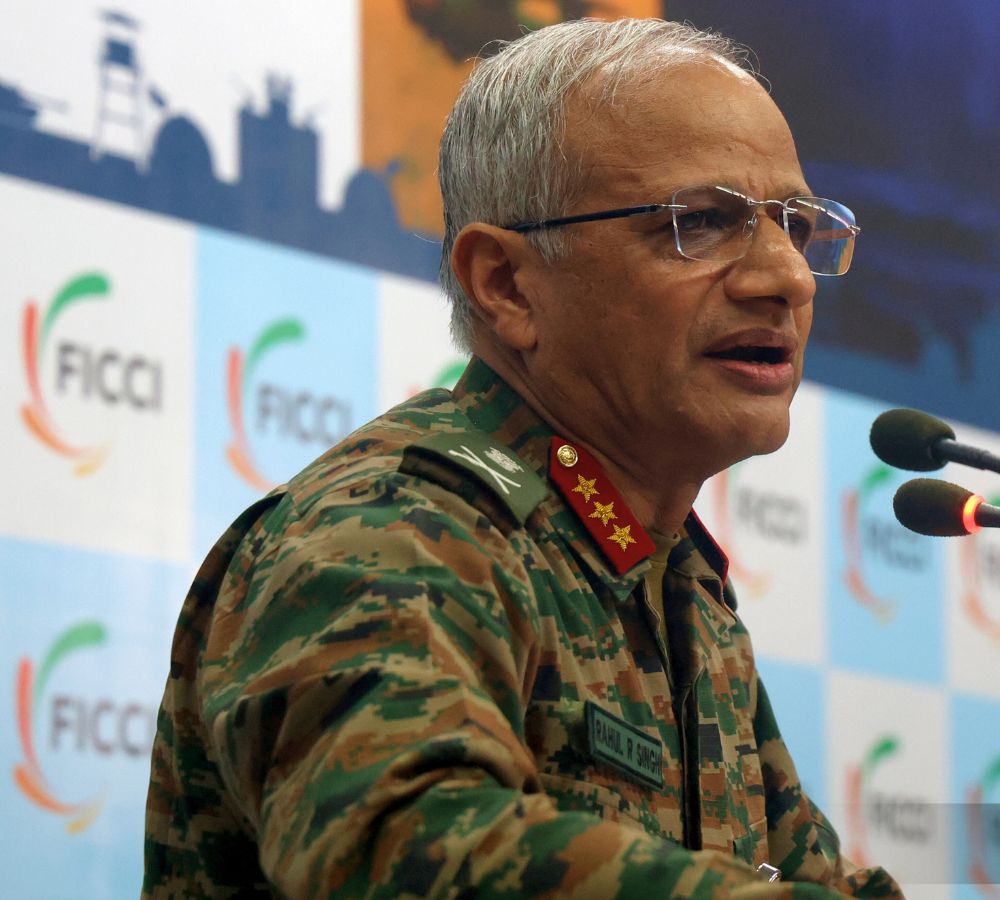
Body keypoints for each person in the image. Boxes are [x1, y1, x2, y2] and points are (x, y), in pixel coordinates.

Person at [143, 18, 895, 898]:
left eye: (797, 228)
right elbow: (404, 845)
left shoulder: (678, 583)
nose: (788, 278)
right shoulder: (392, 529)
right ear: (506, 285)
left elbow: (806, 873)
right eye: (700, 222)